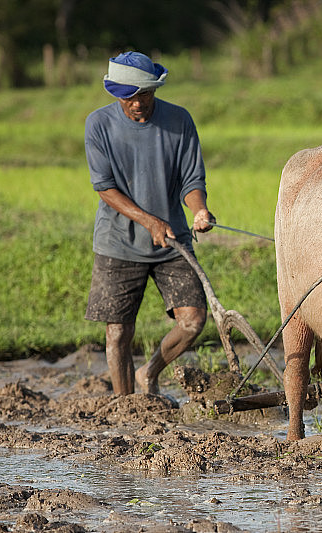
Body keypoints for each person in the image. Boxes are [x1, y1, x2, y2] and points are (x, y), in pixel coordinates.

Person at [84, 51, 215, 395]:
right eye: (129, 96)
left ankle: (149, 372)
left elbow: (191, 180)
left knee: (193, 320)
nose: (137, 103)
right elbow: (105, 188)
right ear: (116, 94)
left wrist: (199, 210)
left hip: (171, 239)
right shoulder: (99, 125)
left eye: (144, 94)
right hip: (118, 241)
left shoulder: (179, 121)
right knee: (118, 332)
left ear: (154, 90)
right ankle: (126, 404)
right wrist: (148, 221)